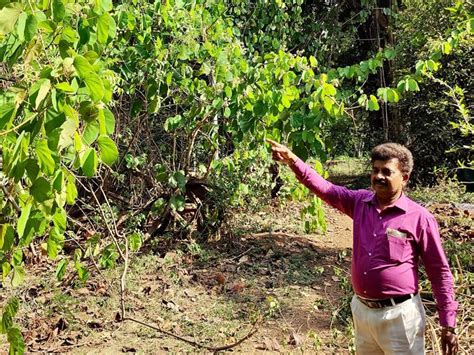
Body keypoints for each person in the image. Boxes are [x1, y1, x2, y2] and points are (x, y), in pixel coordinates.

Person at [267, 139, 458, 355]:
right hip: (363, 313)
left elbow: (439, 272)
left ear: (404, 178)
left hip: (401, 317)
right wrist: (293, 160)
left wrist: (448, 324)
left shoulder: (419, 218)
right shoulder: (359, 203)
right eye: (375, 170)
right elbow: (325, 189)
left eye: (387, 171)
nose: (379, 177)